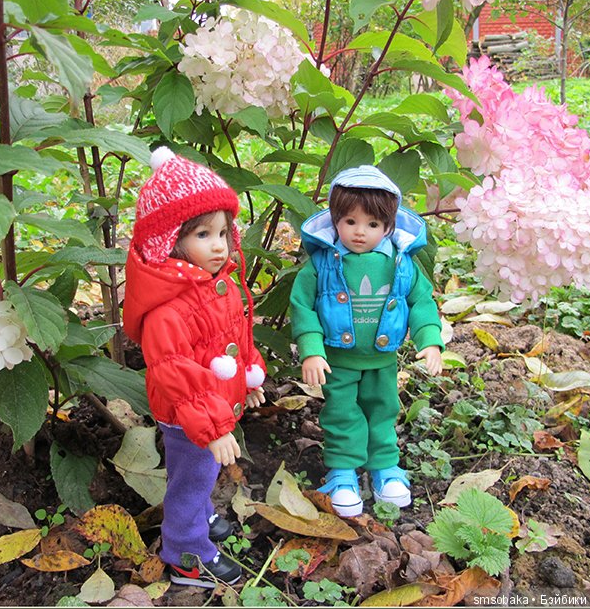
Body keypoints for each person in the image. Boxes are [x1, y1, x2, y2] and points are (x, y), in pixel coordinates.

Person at [123, 148, 267, 588]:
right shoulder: (166, 310)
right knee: (192, 475)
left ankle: (201, 513)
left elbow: (233, 335)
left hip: (208, 407)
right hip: (187, 414)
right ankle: (185, 550)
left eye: (223, 231)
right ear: (170, 239)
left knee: (198, 473)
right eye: (203, 234)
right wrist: (213, 426)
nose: (220, 244)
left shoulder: (213, 282)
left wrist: (248, 376)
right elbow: (175, 372)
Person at [289, 165, 443, 517]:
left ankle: (385, 468)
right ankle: (343, 474)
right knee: (342, 414)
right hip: (339, 362)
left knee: (383, 411)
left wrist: (429, 340)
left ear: (389, 226)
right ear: (334, 220)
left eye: (373, 225)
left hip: (382, 361)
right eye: (350, 222)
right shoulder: (322, 263)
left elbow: (421, 301)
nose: (360, 233)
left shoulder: (402, 264)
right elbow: (303, 306)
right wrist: (312, 350)